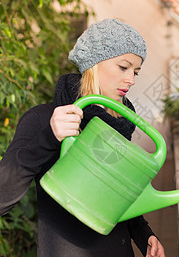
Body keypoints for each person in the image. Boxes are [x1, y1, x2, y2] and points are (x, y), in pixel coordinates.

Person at [0, 19, 165, 257]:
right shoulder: (45, 119)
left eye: (136, 72)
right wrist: (49, 137)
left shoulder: (119, 123)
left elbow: (115, 194)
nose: (131, 80)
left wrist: (144, 235)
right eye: (123, 67)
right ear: (93, 63)